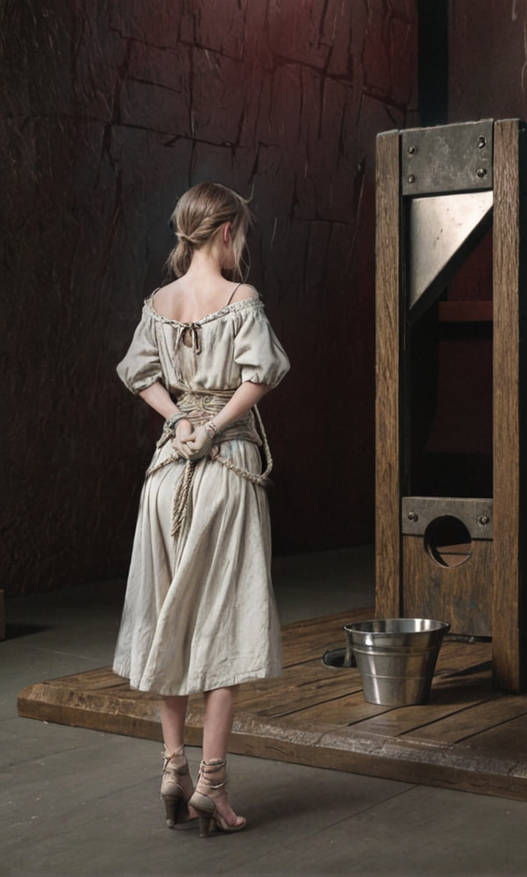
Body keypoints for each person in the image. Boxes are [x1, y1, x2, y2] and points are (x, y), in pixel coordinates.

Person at [114, 182, 290, 836]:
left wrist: (181, 420)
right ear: (225, 232)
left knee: (171, 617)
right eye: (239, 233)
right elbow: (261, 373)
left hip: (166, 472)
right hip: (224, 469)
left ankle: (173, 768)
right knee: (222, 619)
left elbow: (139, 373)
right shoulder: (240, 299)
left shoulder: (159, 303)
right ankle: (211, 783)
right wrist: (211, 428)